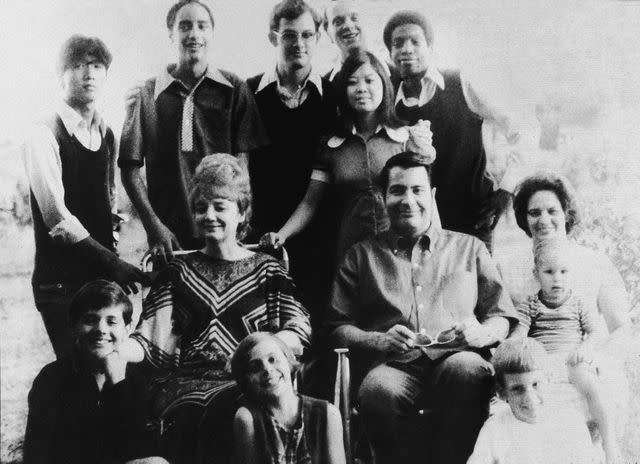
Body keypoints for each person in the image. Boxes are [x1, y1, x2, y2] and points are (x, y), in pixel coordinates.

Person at [325, 152, 517, 464]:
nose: (408, 200)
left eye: (417, 190)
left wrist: (481, 334)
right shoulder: (361, 256)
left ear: (433, 195)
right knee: (377, 391)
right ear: (383, 197)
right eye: (397, 190)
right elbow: (337, 328)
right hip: (393, 365)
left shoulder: (469, 248)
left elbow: (502, 315)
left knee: (469, 371)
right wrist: (378, 339)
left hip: (456, 357)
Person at [119, 154, 311, 463]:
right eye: (200, 208)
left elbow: (297, 331)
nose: (209, 215)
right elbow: (147, 339)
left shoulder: (268, 271)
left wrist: (255, 351)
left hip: (256, 380)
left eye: (220, 206)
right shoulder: (178, 271)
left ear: (241, 212)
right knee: (193, 413)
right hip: (189, 386)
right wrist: (115, 348)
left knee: (244, 411)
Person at [22, 34, 149, 359]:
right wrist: (113, 262)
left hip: (101, 278)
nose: (88, 73)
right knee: (74, 376)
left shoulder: (106, 132)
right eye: (76, 65)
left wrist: (113, 253)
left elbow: (109, 206)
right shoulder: (44, 133)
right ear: (60, 75)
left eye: (96, 65)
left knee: (107, 372)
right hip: (60, 283)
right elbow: (58, 220)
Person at [119, 0, 267, 261]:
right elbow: (130, 170)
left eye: (202, 26)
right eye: (185, 26)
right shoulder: (147, 94)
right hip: (170, 239)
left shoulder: (234, 88)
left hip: (222, 233)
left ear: (211, 33)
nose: (194, 34)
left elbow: (243, 168)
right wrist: (154, 227)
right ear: (171, 34)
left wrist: (237, 225)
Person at [260, 49, 435, 265]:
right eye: (352, 83)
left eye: (370, 80)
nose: (362, 89)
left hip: (403, 249)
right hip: (352, 251)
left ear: (384, 85)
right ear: (344, 91)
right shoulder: (332, 145)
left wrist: (436, 244)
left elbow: (427, 199)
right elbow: (310, 203)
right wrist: (282, 234)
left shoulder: (406, 138)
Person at [383, 10, 520, 250]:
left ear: (430, 47)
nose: (406, 49)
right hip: (418, 225)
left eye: (416, 41)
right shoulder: (390, 101)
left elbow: (518, 130)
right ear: (390, 53)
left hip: (472, 219)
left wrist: (506, 189)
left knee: (475, 285)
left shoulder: (460, 83)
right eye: (398, 43)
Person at [246, 0, 338, 332]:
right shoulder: (249, 93)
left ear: (318, 39)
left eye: (307, 35)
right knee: (264, 327)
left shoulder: (333, 96)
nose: (298, 44)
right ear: (274, 38)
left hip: (321, 230)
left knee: (315, 326)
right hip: (261, 232)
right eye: (289, 35)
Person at [23, 280, 165, 464]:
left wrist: (118, 382)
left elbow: (139, 448)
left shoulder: (139, 378)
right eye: (90, 320)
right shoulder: (52, 378)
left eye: (111, 321)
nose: (101, 329)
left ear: (128, 328)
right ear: (74, 327)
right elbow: (38, 452)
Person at [511, 238, 622, 463]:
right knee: (535, 390)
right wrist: (517, 348)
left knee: (589, 381)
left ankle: (610, 442)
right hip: (542, 360)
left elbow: (596, 332)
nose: (557, 278)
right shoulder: (530, 305)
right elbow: (519, 335)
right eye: (549, 272)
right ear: (536, 274)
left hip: (572, 358)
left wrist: (585, 348)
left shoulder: (578, 303)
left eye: (563, 271)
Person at [502, 173, 631, 340]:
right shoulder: (509, 268)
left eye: (552, 211)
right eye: (534, 213)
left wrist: (595, 357)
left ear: (566, 214)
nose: (544, 219)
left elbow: (620, 328)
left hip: (584, 358)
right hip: (530, 360)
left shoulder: (596, 262)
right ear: (524, 219)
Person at [467, 337, 597, 464]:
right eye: (517, 389)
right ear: (502, 393)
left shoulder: (570, 421)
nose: (529, 397)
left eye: (536, 384)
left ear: (549, 379)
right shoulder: (495, 428)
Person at [231, 332, 346, 464]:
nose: (267, 369)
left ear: (288, 361)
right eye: (254, 367)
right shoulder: (247, 419)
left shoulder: (328, 414)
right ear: (246, 379)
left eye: (272, 359)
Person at [323, 0, 389, 81]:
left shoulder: (398, 74)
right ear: (328, 32)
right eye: (338, 22)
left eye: (355, 18)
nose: (348, 25)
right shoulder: (324, 87)